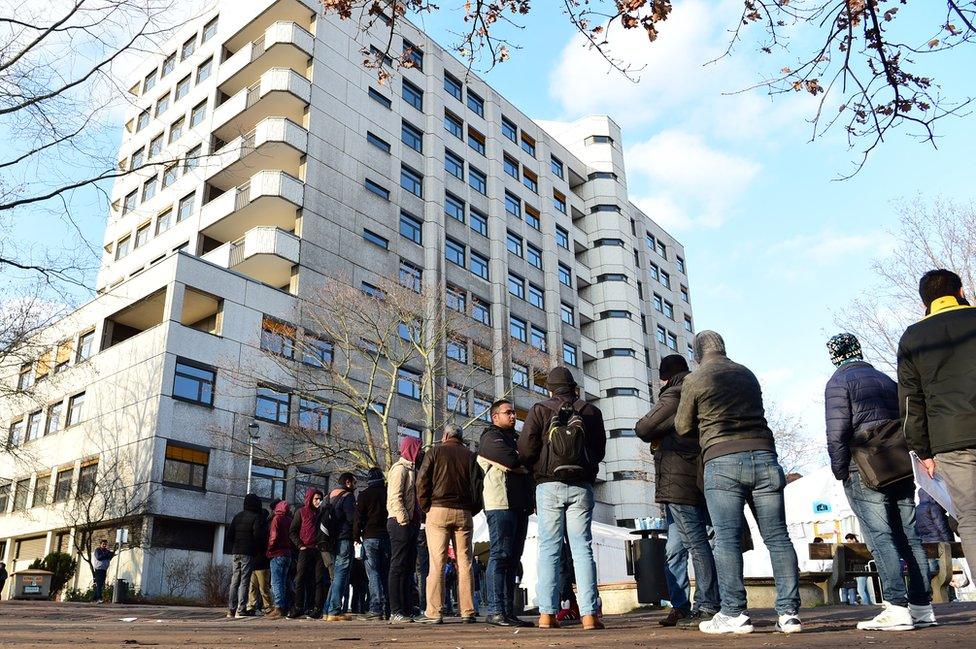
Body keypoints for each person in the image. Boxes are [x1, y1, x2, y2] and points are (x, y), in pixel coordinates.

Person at [675, 331, 801, 635]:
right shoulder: (747, 373)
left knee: (726, 540)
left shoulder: (696, 378)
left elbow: (681, 425)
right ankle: (789, 613)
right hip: (765, 456)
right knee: (778, 536)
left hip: (723, 460)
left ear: (696, 354)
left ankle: (733, 613)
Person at [824, 333, 934, 630]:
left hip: (863, 468)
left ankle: (896, 607)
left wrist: (840, 470)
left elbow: (837, 432)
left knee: (879, 536)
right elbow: (908, 418)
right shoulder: (886, 380)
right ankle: (922, 607)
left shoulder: (838, 383)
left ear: (835, 356)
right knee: (909, 536)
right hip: (898, 465)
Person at [898, 269, 976, 576]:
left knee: (970, 516)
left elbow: (910, 401)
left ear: (924, 304)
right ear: (960, 291)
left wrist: (922, 450)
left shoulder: (913, 337)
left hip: (951, 439)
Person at [518, 366, 607, 631]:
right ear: (574, 388)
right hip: (581, 486)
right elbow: (599, 452)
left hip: (548, 485)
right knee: (582, 549)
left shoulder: (540, 409)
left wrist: (537, 466)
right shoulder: (591, 412)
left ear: (550, 389)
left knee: (549, 550)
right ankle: (590, 615)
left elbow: (525, 449)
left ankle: (547, 614)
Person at [636, 354, 720, 628]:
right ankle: (682, 606)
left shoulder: (675, 392)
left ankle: (706, 604)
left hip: (680, 478)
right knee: (677, 548)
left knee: (696, 544)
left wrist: (661, 430)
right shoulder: (703, 387)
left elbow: (644, 427)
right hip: (698, 474)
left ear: (665, 375)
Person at [478, 398, 534, 627]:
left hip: (519, 505)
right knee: (500, 555)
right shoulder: (490, 437)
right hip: (500, 504)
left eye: (514, 413)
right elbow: (513, 460)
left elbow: (529, 460)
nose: (513, 416)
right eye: (508, 412)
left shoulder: (515, 438)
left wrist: (522, 465)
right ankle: (495, 610)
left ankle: (507, 611)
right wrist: (520, 464)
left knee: (512, 558)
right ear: (495, 416)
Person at [416, 425, 478, 624]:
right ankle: (467, 611)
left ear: (445, 436)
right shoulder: (470, 456)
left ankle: (435, 612)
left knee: (437, 562)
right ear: (461, 437)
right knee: (465, 562)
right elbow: (478, 486)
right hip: (464, 512)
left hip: (438, 510)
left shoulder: (434, 452)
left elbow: (422, 481)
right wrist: (471, 509)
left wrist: (426, 506)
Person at [387, 435, 421, 623]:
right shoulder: (400, 469)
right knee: (398, 566)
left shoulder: (412, 470)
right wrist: (404, 519)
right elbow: (395, 497)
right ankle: (395, 610)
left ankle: (406, 609)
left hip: (411, 523)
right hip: (400, 523)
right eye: (418, 448)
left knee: (407, 568)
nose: (420, 451)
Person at [356, 466, 391, 621]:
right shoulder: (388, 493)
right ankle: (388, 608)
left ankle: (375, 608)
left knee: (373, 573)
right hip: (387, 536)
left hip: (370, 536)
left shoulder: (364, 495)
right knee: (385, 573)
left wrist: (356, 536)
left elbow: (358, 518)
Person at [225, 493, 266, 618]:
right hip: (247, 552)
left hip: (236, 551)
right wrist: (256, 549)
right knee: (245, 580)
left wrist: (235, 545)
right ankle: (241, 608)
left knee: (234, 580)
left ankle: (231, 609)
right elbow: (258, 536)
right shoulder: (256, 517)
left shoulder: (237, 516)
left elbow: (229, 535)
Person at [287, 489, 326, 619]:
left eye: (320, 499)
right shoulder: (301, 512)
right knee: (300, 578)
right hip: (305, 549)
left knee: (317, 579)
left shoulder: (322, 513)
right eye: (316, 499)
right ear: (310, 499)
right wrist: (300, 545)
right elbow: (292, 531)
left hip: (319, 550)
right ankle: (298, 607)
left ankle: (315, 608)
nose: (318, 501)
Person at [325, 472, 357, 621]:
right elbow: (352, 518)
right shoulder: (347, 496)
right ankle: (334, 611)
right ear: (348, 482)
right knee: (341, 575)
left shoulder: (329, 496)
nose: (355, 486)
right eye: (355, 483)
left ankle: (327, 610)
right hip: (344, 538)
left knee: (336, 575)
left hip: (330, 540)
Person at [916, 488, 955, 597]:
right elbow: (941, 527)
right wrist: (950, 542)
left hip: (925, 545)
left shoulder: (917, 509)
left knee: (931, 570)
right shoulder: (934, 507)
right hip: (939, 544)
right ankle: (949, 595)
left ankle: (932, 595)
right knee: (945, 570)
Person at [266, 499, 293, 618]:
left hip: (277, 553)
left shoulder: (276, 519)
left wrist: (270, 548)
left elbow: (273, 536)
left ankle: (278, 607)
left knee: (276, 582)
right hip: (288, 553)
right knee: (283, 581)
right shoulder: (290, 520)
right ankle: (285, 606)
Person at [247, 503, 273, 615]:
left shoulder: (255, 528)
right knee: (263, 587)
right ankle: (267, 606)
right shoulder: (267, 529)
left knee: (253, 587)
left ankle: (251, 606)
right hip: (263, 562)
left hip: (254, 561)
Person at [844, 533, 874, 606]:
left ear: (854, 539)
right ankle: (869, 603)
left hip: (861, 570)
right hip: (860, 570)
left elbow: (863, 559)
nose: (849, 543)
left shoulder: (858, 548)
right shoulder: (860, 547)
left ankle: (866, 604)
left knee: (860, 589)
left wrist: (853, 561)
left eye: (849, 541)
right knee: (864, 589)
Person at [92, 539, 115, 603]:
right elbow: (99, 557)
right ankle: (99, 598)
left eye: (105, 544)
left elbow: (110, 556)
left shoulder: (107, 551)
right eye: (103, 544)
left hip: (104, 569)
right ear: (100, 544)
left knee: (101, 584)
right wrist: (107, 555)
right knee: (99, 584)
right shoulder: (97, 550)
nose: (104, 545)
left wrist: (110, 555)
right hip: (98, 569)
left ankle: (94, 598)